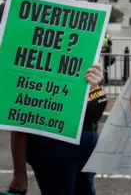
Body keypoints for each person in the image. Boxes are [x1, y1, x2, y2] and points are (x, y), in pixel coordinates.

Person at [6, 64, 105, 195]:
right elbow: (21, 112)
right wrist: (19, 173)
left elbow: (92, 97)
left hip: (87, 140)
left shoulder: (83, 51)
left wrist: (96, 79)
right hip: (53, 144)